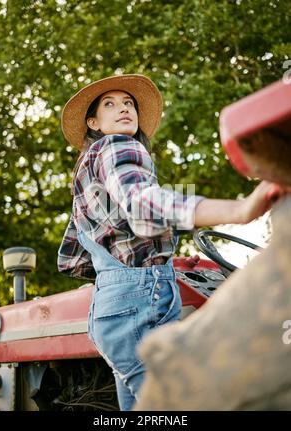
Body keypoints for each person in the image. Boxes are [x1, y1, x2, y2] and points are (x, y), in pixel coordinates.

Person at [57, 74, 280, 411]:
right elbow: (141, 202)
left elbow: (75, 254)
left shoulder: (88, 167)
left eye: (129, 103)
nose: (124, 109)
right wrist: (239, 209)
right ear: (94, 122)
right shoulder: (118, 146)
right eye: (110, 104)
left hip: (111, 307)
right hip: (141, 301)